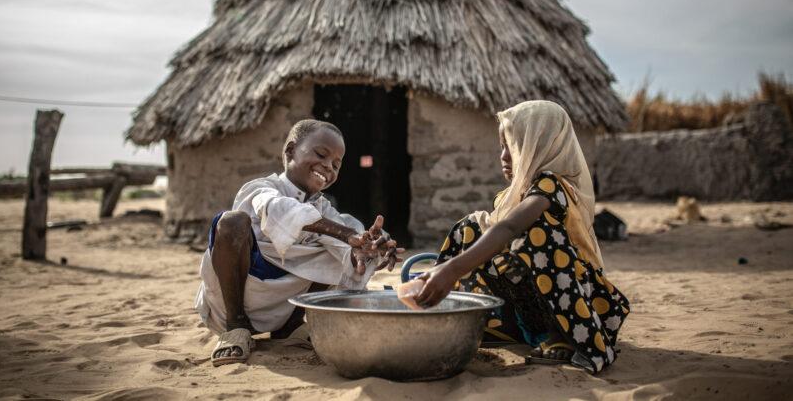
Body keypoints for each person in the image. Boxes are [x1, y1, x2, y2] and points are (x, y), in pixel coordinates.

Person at [414, 101, 629, 373]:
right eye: (502, 146)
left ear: (541, 146)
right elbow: (496, 233)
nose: (504, 156)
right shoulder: (513, 196)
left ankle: (564, 339)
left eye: (513, 146)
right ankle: (454, 314)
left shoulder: (552, 185)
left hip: (578, 308)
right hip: (532, 308)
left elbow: (509, 228)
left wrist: (451, 268)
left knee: (537, 236)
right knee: (470, 227)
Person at [195, 119, 403, 366]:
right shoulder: (261, 188)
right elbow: (281, 209)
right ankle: (236, 328)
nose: (327, 167)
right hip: (234, 302)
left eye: (336, 165)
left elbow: (351, 245)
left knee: (342, 246)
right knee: (231, 222)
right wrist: (345, 234)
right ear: (291, 150)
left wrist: (371, 251)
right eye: (321, 154)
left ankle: (291, 327)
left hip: (283, 307)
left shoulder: (326, 211)